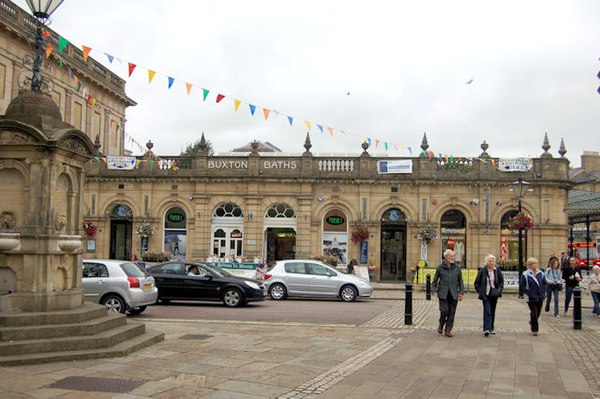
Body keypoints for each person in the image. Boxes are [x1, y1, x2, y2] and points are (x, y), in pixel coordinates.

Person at [433, 249, 464, 337]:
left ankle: (448, 330)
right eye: (451, 256)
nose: (453, 258)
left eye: (453, 256)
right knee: (444, 311)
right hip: (443, 292)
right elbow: (435, 280)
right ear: (446, 257)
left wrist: (461, 292)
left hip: (453, 293)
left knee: (452, 312)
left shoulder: (457, 268)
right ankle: (441, 324)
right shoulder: (440, 267)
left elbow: (460, 281)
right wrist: (433, 289)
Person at [474, 254, 504, 336]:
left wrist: (499, 290)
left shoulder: (497, 270)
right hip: (485, 294)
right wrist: (480, 291)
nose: (491, 262)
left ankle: (491, 327)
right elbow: (477, 282)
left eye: (492, 261)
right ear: (486, 262)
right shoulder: (483, 270)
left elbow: (501, 281)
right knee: (487, 311)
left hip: (494, 294)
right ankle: (486, 329)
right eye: (489, 261)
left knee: (492, 311)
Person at [519, 257, 547, 336]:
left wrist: (543, 291)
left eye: (535, 264)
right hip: (531, 297)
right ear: (529, 265)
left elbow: (544, 283)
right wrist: (528, 292)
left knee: (538, 312)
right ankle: (535, 329)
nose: (535, 265)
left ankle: (532, 321)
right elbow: (522, 286)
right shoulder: (525, 274)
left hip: (539, 296)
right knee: (534, 312)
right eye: (533, 264)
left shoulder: (541, 273)